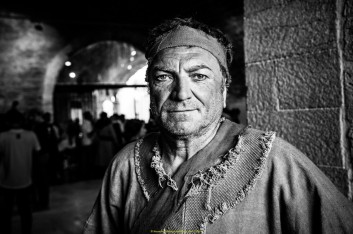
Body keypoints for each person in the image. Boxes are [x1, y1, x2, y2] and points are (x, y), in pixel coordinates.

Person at [83, 17, 353, 234]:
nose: (182, 93)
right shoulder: (125, 164)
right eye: (164, 77)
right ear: (151, 89)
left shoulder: (278, 163)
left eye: (199, 76)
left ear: (223, 89)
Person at [0, 111, 40, 234]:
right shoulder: (31, 135)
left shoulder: (2, 137)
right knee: (26, 211)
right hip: (25, 179)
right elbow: (37, 152)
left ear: (8, 122)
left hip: (6, 180)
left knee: (6, 212)